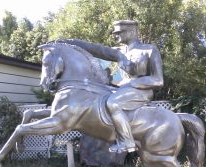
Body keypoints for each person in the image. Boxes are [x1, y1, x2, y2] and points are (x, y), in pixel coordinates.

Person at [60, 20, 164, 153]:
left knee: (113, 103)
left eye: (120, 32)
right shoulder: (118, 52)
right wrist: (69, 42)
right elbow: (95, 48)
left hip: (141, 90)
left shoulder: (149, 49)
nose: (116, 35)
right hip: (123, 90)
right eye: (116, 33)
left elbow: (158, 80)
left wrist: (132, 83)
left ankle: (127, 142)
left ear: (132, 32)